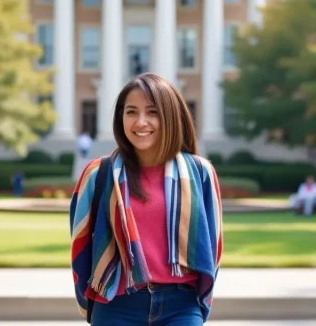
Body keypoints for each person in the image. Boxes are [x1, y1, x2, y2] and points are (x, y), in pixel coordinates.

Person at [69, 73, 224, 326]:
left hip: (181, 307)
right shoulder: (98, 174)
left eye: (153, 112)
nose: (141, 122)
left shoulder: (200, 173)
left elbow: (213, 243)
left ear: (171, 116)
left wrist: (200, 304)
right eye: (131, 112)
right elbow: (80, 243)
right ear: (121, 118)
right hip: (115, 307)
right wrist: (90, 302)